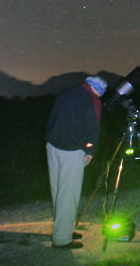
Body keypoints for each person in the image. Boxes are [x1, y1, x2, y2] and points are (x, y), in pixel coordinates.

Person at [45, 75, 107, 249]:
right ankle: (62, 239)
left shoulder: (67, 93)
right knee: (68, 195)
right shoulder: (92, 100)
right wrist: (90, 151)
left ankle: (63, 229)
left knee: (57, 191)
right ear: (98, 90)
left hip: (52, 145)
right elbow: (93, 128)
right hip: (70, 151)